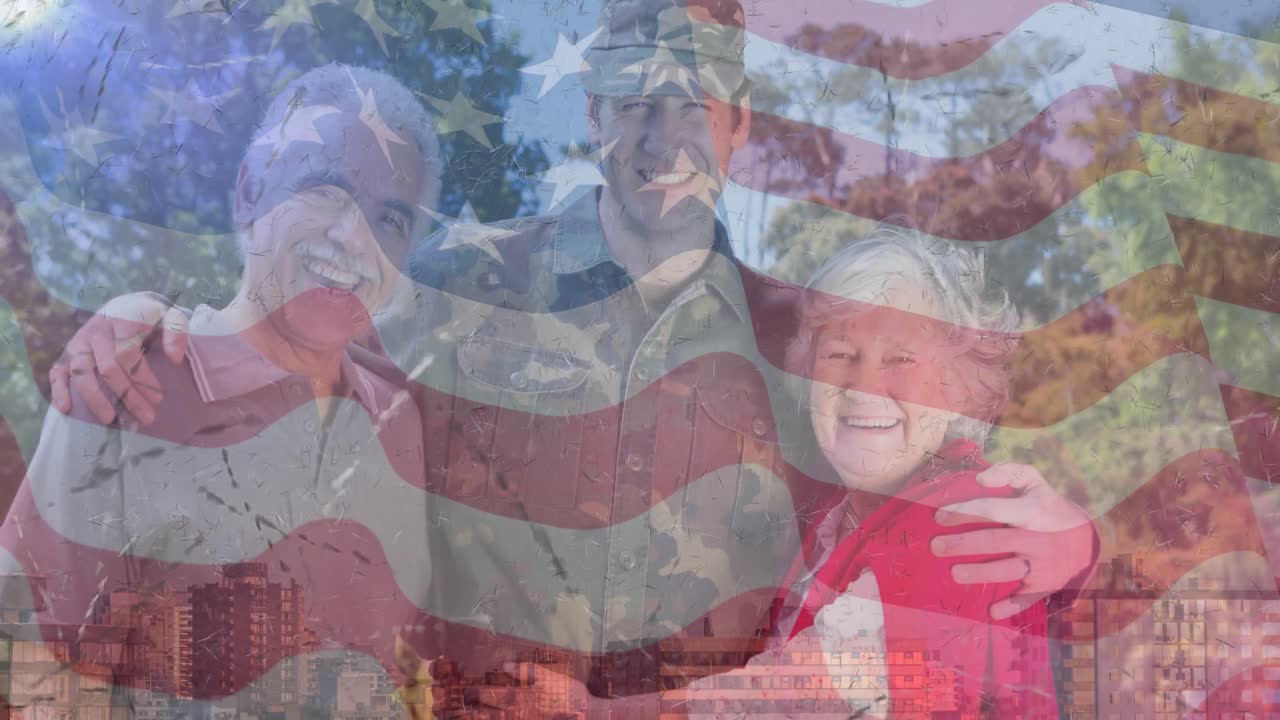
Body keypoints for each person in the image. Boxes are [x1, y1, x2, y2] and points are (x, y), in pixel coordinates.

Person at [46, 0, 1097, 715]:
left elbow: (936, 458)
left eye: (692, 104)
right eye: (633, 101)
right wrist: (139, 321)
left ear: (738, 128)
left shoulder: (805, 338)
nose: (660, 134)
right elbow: (297, 326)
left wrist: (1076, 540)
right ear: (592, 115)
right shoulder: (460, 284)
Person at [0, 63, 441, 715]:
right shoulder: (127, 382)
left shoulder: (399, 421)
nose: (354, 237)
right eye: (325, 189)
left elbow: (403, 662)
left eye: (392, 219)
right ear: (248, 192)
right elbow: (42, 664)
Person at [675, 229, 1059, 718]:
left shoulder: (964, 515)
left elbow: (790, 699)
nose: (864, 387)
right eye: (839, 354)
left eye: (901, 358)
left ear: (960, 384)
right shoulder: (834, 518)